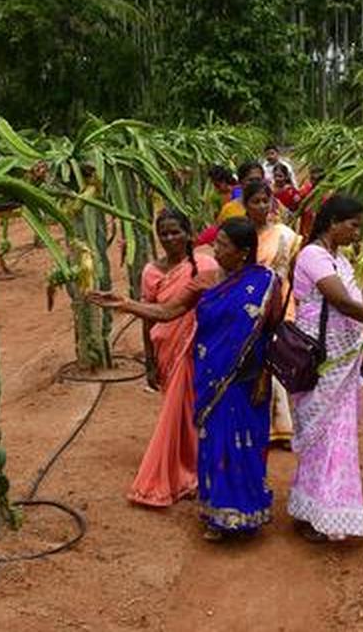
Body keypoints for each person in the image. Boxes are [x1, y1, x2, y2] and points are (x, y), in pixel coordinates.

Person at [89, 217, 283, 540]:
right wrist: (126, 304)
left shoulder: (266, 283)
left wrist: (266, 376)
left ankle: (247, 512)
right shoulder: (206, 280)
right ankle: (219, 516)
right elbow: (167, 312)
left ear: (243, 252)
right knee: (215, 442)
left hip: (248, 379)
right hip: (212, 378)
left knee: (246, 444)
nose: (215, 249)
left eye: (222, 245)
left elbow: (273, 329)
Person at [288, 195, 363, 542]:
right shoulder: (313, 255)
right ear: (332, 222)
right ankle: (323, 513)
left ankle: (320, 507)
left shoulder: (338, 258)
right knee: (325, 438)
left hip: (341, 360)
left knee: (333, 437)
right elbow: (341, 302)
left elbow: (346, 313)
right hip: (321, 361)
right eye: (353, 225)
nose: (358, 233)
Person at [129, 210, 219, 507]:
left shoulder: (205, 265)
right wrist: (149, 360)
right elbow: (147, 316)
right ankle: (180, 472)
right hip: (167, 348)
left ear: (188, 233)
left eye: (174, 232)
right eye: (164, 234)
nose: (169, 239)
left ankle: (189, 471)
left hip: (197, 347)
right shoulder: (151, 272)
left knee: (192, 410)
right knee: (175, 410)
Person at [240, 180, 302, 448]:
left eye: (266, 201)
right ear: (246, 205)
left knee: (277, 361)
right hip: (248, 305)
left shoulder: (284, 234)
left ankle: (283, 428)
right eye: (256, 201)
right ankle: (256, 424)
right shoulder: (240, 235)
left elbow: (293, 272)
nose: (262, 206)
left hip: (280, 303)